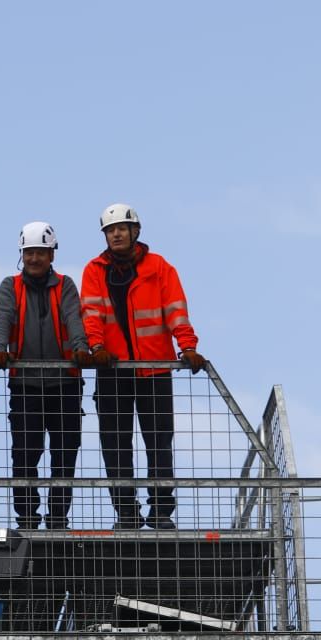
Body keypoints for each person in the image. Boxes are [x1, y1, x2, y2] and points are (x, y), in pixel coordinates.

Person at [81, 203, 207, 530]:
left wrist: (188, 347)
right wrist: (96, 347)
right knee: (116, 445)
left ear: (136, 232)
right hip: (113, 371)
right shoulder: (95, 269)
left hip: (154, 370)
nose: (117, 234)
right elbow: (91, 314)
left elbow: (176, 311)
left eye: (122, 228)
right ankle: (126, 513)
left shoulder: (159, 267)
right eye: (111, 230)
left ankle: (161, 511)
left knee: (158, 444)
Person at [0, 223, 90, 530]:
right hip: (25, 386)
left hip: (66, 385)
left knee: (64, 457)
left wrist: (81, 348)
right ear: (22, 254)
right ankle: (28, 518)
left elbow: (74, 317)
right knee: (25, 456)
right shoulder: (10, 286)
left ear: (51, 255)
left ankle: (58, 517)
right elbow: (2, 318)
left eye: (41, 253)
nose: (34, 258)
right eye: (29, 252)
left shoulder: (65, 286)